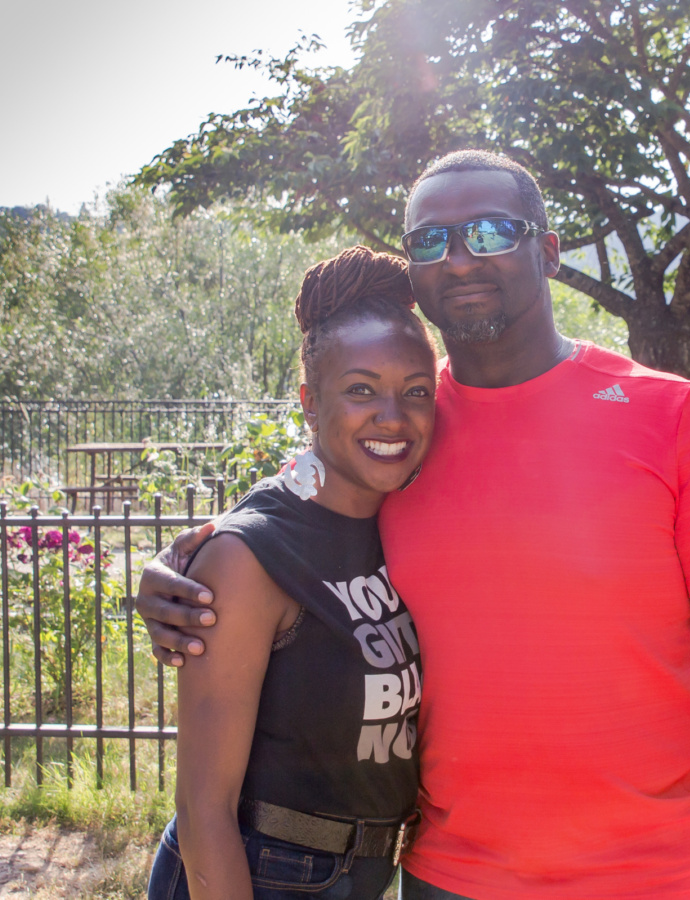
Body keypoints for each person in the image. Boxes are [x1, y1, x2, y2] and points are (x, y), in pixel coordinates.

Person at [139, 151, 690, 900]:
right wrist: (182, 563)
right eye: (430, 240)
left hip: (661, 877)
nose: (459, 259)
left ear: (548, 251)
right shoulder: (404, 427)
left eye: (491, 231)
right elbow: (295, 514)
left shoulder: (672, 416)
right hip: (450, 877)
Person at [146, 246, 437, 900]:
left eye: (416, 391)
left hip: (363, 874)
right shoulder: (248, 557)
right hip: (260, 872)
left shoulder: (406, 521)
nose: (393, 415)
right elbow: (202, 808)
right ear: (310, 401)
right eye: (360, 389)